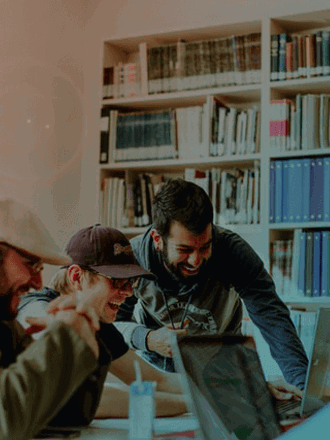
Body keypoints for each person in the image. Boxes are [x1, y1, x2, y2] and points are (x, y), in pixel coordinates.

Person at [114, 179, 308, 397]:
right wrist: (148, 339)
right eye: (184, 250)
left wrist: (303, 389)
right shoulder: (134, 257)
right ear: (158, 239)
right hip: (162, 378)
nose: (196, 260)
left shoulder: (233, 252)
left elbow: (273, 318)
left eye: (205, 247)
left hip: (225, 374)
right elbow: (113, 326)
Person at [18, 224, 187, 422]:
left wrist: (217, 390)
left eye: (130, 282)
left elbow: (158, 380)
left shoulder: (98, 322)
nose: (128, 292)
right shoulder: (36, 307)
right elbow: (78, 398)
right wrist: (189, 404)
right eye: (117, 281)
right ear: (77, 277)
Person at [0, 197, 101, 440]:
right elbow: (6, 425)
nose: (38, 283)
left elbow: (69, 415)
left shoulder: (6, 325)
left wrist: (85, 332)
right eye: (30, 265)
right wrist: (68, 337)